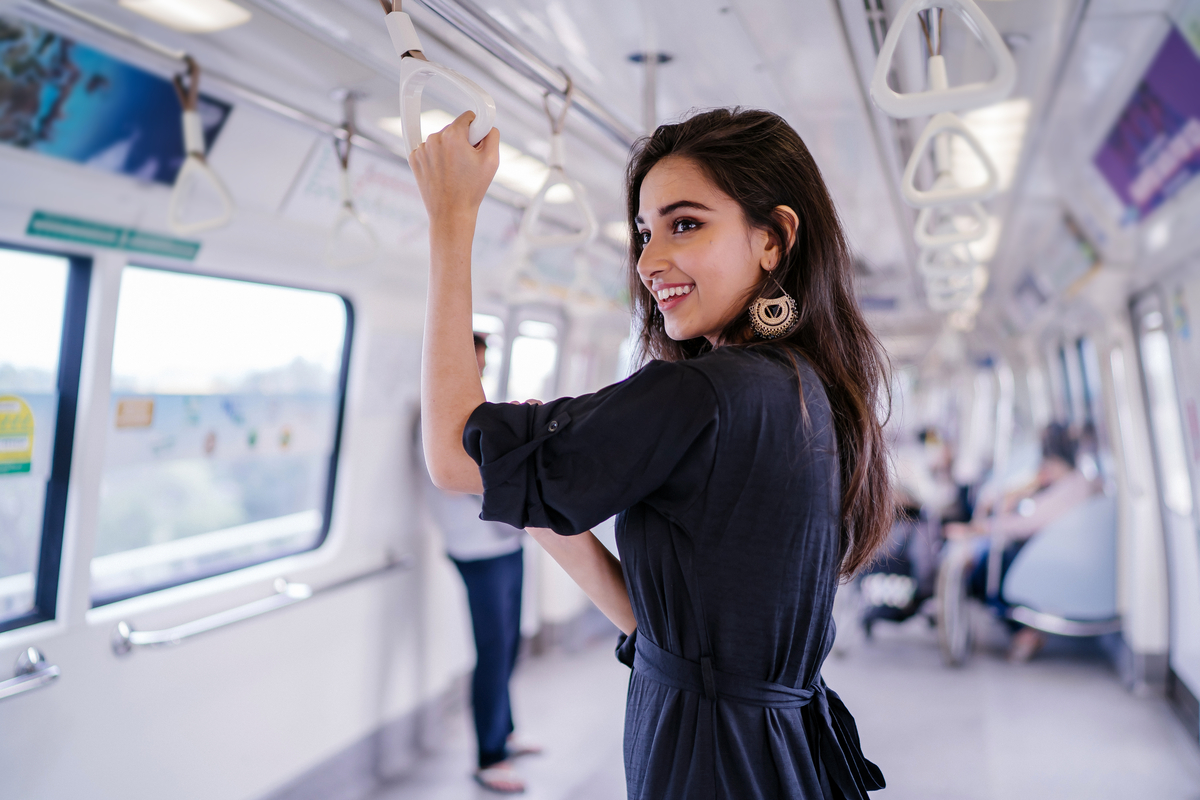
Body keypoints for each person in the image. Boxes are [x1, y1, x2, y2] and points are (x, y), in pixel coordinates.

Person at [411, 108, 892, 799]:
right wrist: (536, 483)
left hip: (712, 763)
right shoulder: (799, 386)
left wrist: (450, 221)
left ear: (774, 238)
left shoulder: (701, 393)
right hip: (768, 752)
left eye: (685, 224)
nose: (649, 260)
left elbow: (451, 455)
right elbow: (667, 627)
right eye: (644, 232)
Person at [418, 334, 540, 794]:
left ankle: (506, 731)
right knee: (492, 650)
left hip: (507, 544)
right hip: (476, 549)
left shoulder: (479, 412)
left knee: (508, 644)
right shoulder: (434, 417)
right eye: (471, 365)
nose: (477, 375)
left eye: (481, 366)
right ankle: (488, 758)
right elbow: (463, 484)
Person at [946, 422, 1099, 661]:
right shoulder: (1072, 483)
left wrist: (979, 529)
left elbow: (1028, 523)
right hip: (1048, 549)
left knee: (985, 571)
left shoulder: (1070, 489)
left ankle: (1024, 631)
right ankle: (1021, 630)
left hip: (1051, 557)